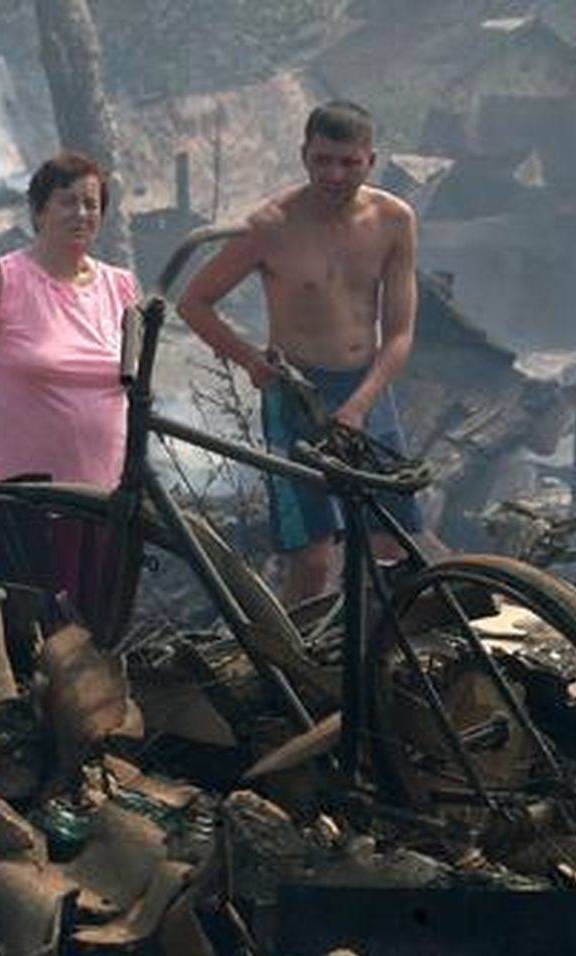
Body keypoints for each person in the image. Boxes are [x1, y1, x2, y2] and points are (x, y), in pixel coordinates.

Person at [178, 99, 422, 605]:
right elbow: (194, 302)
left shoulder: (395, 220)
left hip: (368, 394)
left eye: (348, 162)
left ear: (369, 161)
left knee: (388, 550)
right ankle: (290, 675)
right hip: (296, 399)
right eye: (323, 160)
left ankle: (376, 664)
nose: (334, 174)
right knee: (311, 560)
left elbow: (399, 334)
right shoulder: (271, 225)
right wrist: (248, 359)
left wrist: (359, 406)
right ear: (304, 156)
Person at [0, 150, 140, 490]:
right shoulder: (0, 282)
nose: (81, 214)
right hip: (24, 502)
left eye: (91, 204)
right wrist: (1, 434)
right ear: (38, 211)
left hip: (106, 500)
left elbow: (133, 391)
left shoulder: (121, 288)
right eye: (68, 202)